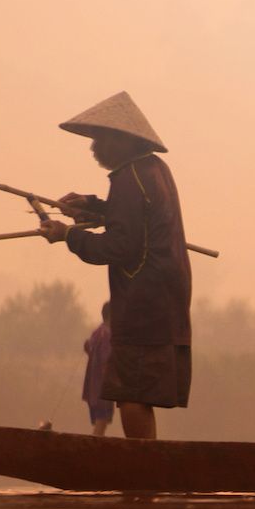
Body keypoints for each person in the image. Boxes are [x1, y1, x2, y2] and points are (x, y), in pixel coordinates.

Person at [38, 92, 192, 440]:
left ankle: (141, 473)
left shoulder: (129, 178)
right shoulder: (152, 170)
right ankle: (146, 469)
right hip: (163, 300)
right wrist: (92, 207)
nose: (93, 149)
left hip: (143, 303)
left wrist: (68, 236)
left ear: (123, 140)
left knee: (130, 393)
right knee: (138, 393)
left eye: (100, 139)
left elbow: (120, 246)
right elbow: (133, 220)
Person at [82, 302, 115, 436]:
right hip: (103, 388)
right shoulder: (108, 335)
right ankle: (93, 448)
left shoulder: (97, 332)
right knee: (102, 422)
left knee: (100, 421)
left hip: (92, 388)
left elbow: (89, 349)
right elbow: (106, 361)